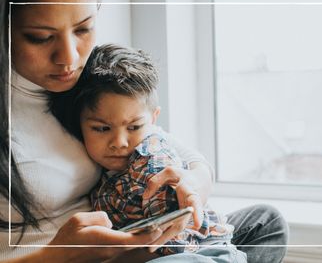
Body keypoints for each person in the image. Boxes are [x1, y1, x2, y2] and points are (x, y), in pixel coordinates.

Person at [0, 0, 288, 262]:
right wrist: (56, 257)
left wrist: (195, 183)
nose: (69, 58)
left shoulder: (82, 83)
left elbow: (167, 145)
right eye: (40, 37)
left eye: (83, 28)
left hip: (133, 249)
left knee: (266, 222)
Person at [48, 43, 241, 259]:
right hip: (172, 250)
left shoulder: (151, 161)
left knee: (264, 220)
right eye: (102, 129)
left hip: (191, 246)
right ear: (79, 124)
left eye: (134, 127)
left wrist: (194, 185)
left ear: (153, 119)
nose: (120, 142)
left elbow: (173, 240)